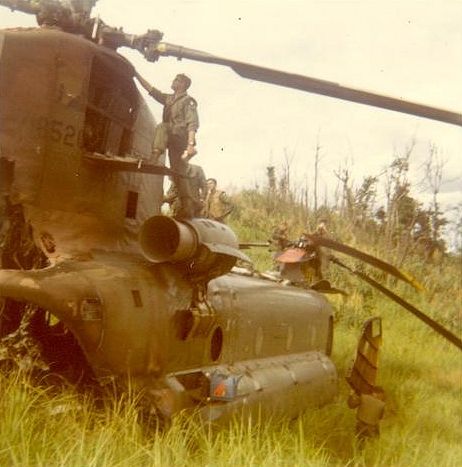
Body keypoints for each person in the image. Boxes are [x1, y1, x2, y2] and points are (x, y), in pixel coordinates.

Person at [135, 71, 199, 218]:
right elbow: (152, 90)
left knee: (162, 126)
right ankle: (188, 207)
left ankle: (155, 156)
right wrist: (136, 75)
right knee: (179, 173)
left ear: (183, 84)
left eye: (176, 80)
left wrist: (190, 144)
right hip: (172, 138)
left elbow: (192, 123)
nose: (173, 81)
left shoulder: (188, 101)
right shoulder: (169, 99)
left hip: (180, 136)